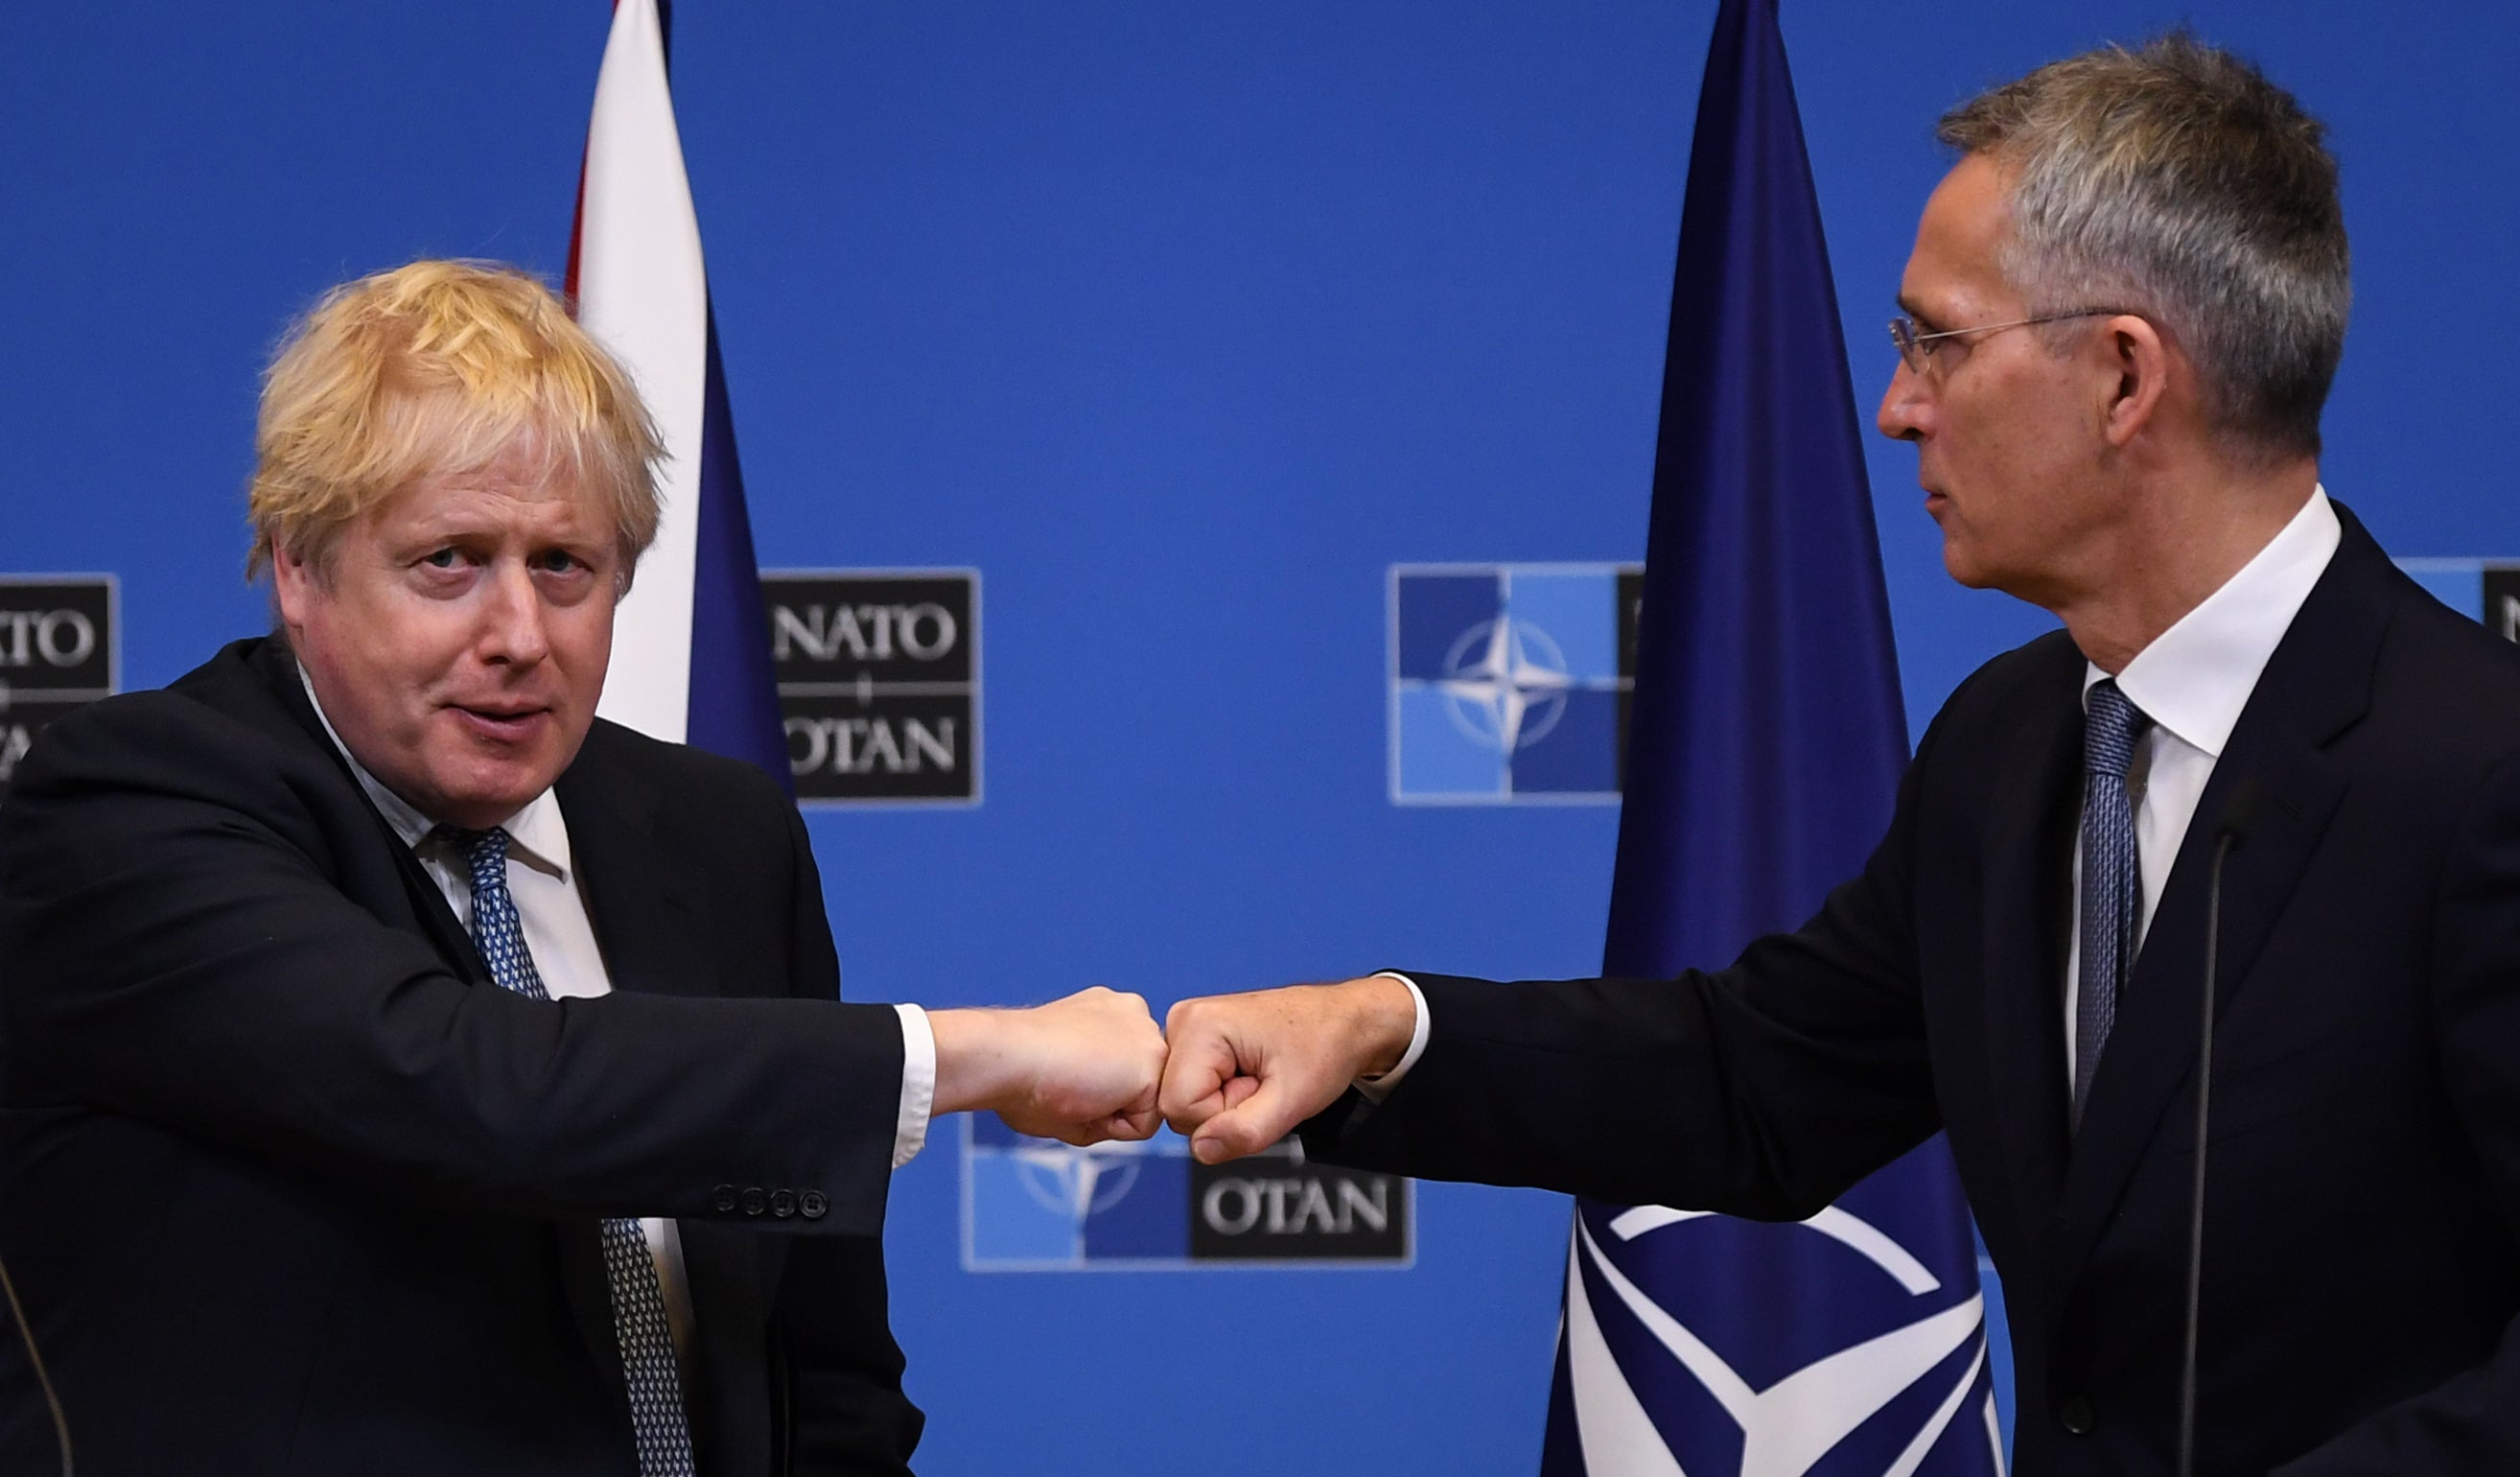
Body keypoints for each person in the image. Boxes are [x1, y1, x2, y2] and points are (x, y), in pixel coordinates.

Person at [1161, 35, 2520, 1475]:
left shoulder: (2476, 773)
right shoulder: (2011, 743)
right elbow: (1754, 1080)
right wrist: (1382, 1028)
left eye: (1938, 340)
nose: (1898, 406)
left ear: (2126, 378)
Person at [0, 260, 1166, 1476]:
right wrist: (978, 1052)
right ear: (299, 565)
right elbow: (475, 1087)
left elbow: (819, 1366)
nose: (518, 636)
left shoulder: (720, 837)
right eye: (449, 559)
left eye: (565, 565)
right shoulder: (124, 806)